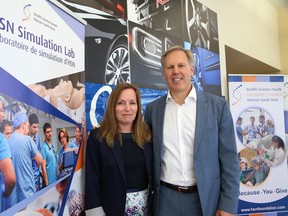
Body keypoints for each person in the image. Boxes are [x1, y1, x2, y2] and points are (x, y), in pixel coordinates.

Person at [144, 46, 239, 216]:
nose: (176, 71)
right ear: (164, 73)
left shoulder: (218, 107)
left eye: (181, 65)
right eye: (170, 67)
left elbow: (229, 159)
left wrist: (228, 205)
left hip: (205, 201)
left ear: (192, 69)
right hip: (165, 201)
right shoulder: (152, 110)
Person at [85, 83, 153, 216]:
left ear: (138, 107)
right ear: (113, 107)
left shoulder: (148, 136)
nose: (128, 108)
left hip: (146, 209)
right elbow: (92, 182)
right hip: (111, 210)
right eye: (121, 103)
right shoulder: (97, 138)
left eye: (132, 103)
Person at [8, 112, 43, 205]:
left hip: (13, 197)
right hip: (27, 194)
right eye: (28, 126)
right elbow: (40, 161)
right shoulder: (28, 140)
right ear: (23, 125)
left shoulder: (7, 141)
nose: (28, 129)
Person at [0, 100, 16, 212]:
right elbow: (10, 179)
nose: (2, 114)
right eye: (0, 110)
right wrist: (5, 193)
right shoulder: (1, 140)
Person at [40, 123, 58, 187]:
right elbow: (43, 168)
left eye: (50, 131)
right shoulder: (43, 148)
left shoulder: (53, 145)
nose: (50, 134)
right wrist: (47, 184)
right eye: (47, 132)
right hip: (49, 183)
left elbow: (55, 163)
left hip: (55, 180)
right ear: (44, 133)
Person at [28, 113, 41, 192]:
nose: (36, 130)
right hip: (28, 175)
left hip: (37, 175)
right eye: (34, 127)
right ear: (29, 125)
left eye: (37, 127)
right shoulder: (25, 138)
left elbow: (38, 152)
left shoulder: (38, 138)